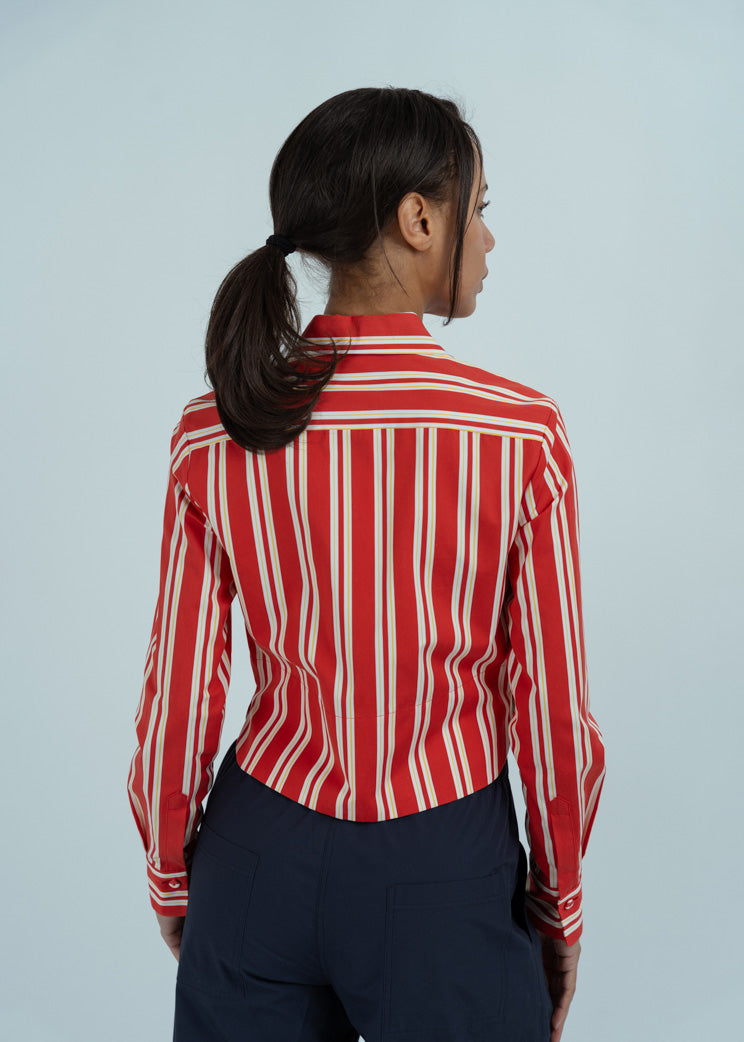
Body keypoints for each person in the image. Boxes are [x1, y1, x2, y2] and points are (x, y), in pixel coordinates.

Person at [127, 86, 606, 1042]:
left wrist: (177, 879)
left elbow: (176, 701)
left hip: (255, 855)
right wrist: (559, 908)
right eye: (479, 210)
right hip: (446, 869)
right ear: (419, 220)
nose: (489, 239)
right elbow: (553, 717)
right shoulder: (520, 436)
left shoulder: (211, 432)